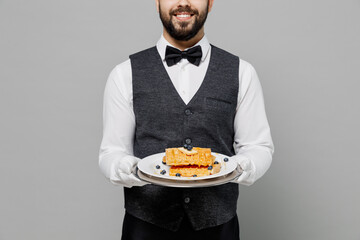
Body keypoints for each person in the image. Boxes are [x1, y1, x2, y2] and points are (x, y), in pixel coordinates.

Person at [99, 0, 274, 239]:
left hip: (218, 227)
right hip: (145, 226)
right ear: (157, 2)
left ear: (210, 3)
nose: (183, 2)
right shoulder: (124, 73)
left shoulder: (242, 72)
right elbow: (111, 153)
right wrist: (132, 169)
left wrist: (238, 167)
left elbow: (258, 147)